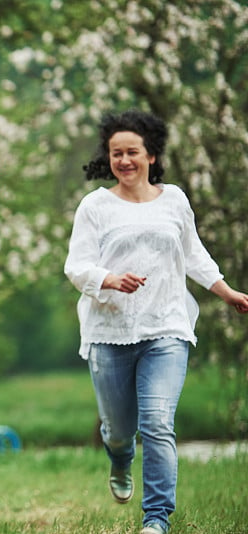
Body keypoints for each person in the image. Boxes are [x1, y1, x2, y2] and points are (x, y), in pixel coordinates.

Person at [64, 109, 248, 534]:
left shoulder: (175, 199)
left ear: (151, 155)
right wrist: (108, 278)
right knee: (119, 430)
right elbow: (77, 266)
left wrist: (227, 291)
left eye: (132, 152)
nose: (124, 160)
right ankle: (120, 458)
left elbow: (194, 254)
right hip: (109, 333)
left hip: (166, 326)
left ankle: (156, 518)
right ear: (107, 158)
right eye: (115, 153)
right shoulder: (95, 206)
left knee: (158, 422)